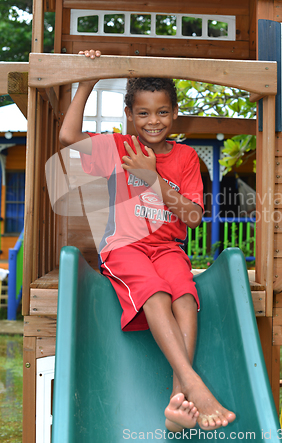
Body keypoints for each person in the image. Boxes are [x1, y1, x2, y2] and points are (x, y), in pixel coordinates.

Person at [59, 49, 236, 433]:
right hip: (124, 247)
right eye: (142, 113)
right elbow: (67, 137)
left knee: (185, 298)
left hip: (168, 248)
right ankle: (192, 385)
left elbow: (191, 216)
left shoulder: (187, 157)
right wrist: (87, 83)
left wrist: (153, 179)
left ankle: (177, 401)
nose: (152, 121)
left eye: (161, 112)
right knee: (155, 294)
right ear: (129, 115)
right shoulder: (119, 149)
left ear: (174, 114)